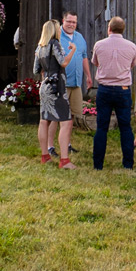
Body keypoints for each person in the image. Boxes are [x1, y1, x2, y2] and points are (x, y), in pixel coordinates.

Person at [90, 16, 136, 169]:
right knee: (125, 127)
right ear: (123, 30)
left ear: (109, 29)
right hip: (122, 89)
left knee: (101, 127)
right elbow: (132, 65)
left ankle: (98, 164)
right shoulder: (131, 46)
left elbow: (95, 63)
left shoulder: (99, 45)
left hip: (104, 89)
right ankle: (128, 164)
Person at [35, 19, 77, 168]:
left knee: (44, 120)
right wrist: (73, 50)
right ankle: (64, 160)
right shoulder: (54, 44)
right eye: (58, 28)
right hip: (57, 87)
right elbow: (63, 63)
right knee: (66, 121)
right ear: (53, 30)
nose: (60, 31)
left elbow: (36, 70)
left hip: (45, 86)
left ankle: (45, 156)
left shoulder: (40, 47)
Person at [58, 11, 91, 132]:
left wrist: (88, 76)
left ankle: (68, 142)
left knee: (73, 114)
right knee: (59, 115)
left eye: (74, 22)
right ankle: (54, 144)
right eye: (69, 21)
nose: (71, 24)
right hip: (62, 83)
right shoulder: (56, 36)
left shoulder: (79, 37)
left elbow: (84, 57)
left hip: (76, 83)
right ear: (63, 21)